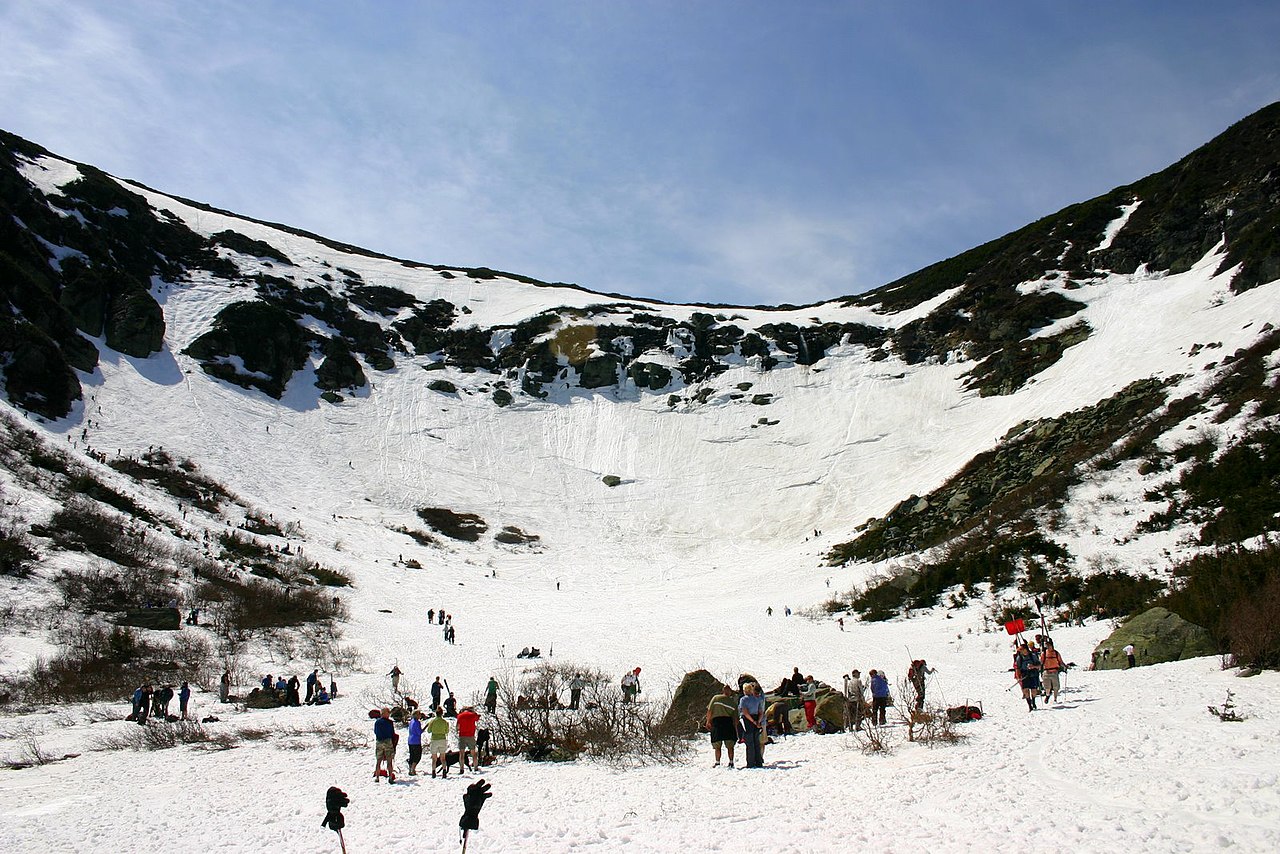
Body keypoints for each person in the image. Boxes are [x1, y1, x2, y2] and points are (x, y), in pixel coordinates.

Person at [706, 684, 738, 767]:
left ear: (723, 691)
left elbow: (710, 711)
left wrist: (708, 721)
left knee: (717, 745)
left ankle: (717, 762)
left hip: (717, 722)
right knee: (730, 745)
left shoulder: (716, 698)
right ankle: (731, 762)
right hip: (728, 723)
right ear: (730, 692)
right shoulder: (733, 703)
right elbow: (735, 718)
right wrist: (735, 728)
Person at [738, 682, 766, 768]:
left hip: (748, 721)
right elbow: (761, 712)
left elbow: (745, 712)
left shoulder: (743, 699)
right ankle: (758, 762)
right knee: (756, 742)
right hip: (757, 719)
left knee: (749, 743)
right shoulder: (756, 699)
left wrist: (753, 721)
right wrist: (758, 721)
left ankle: (750, 763)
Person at [1014, 641, 1042, 712]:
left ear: (1025, 649)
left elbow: (1039, 665)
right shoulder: (1019, 658)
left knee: (1034, 690)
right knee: (1026, 690)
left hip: (1033, 674)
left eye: (1022, 649)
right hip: (1024, 675)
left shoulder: (1033, 656)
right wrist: (1018, 677)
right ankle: (1029, 705)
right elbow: (1017, 668)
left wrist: (1033, 666)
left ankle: (1033, 701)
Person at [373, 707, 396, 782]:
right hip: (388, 741)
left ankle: (377, 777)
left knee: (378, 760)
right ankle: (390, 777)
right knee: (389, 760)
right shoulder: (389, 722)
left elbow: (375, 732)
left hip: (379, 741)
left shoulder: (377, 722)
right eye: (388, 712)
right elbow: (392, 733)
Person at [456, 704, 481, 772]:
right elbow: (478, 718)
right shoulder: (472, 715)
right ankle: (475, 767)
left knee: (461, 753)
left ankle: (461, 768)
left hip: (462, 736)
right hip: (470, 735)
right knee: (473, 752)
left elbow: (457, 727)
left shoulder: (460, 716)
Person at [427, 708, 451, 778]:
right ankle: (444, 771)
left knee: (434, 758)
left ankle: (433, 771)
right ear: (442, 713)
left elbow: (429, 730)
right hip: (442, 739)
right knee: (443, 758)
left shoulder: (432, 721)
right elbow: (447, 731)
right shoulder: (445, 722)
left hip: (434, 739)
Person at [1041, 639, 1066, 704]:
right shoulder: (1044, 653)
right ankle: (1047, 695)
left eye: (1049, 645)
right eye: (1047, 646)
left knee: (1056, 686)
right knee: (1047, 687)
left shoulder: (1056, 653)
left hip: (1054, 671)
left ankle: (1055, 699)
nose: (1048, 647)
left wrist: (1064, 666)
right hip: (1046, 672)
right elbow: (1041, 662)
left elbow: (1060, 661)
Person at [407, 711, 425, 775]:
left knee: (412, 755)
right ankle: (413, 769)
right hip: (416, 741)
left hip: (410, 740)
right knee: (417, 756)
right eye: (419, 714)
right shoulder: (417, 722)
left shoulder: (411, 721)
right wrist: (425, 727)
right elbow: (419, 732)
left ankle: (410, 768)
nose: (420, 715)